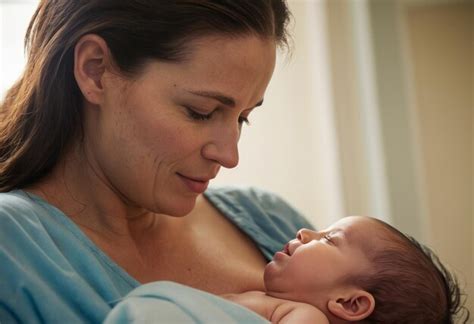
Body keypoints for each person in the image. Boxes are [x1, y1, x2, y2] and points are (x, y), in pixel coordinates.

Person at [0, 1, 316, 322]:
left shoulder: (275, 223)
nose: (229, 156)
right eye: (200, 111)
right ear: (95, 69)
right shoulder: (11, 251)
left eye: (243, 118)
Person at [224, 216, 470, 324]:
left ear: (349, 303)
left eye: (329, 239)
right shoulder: (277, 305)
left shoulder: (305, 317)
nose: (305, 233)